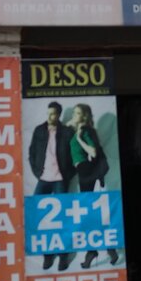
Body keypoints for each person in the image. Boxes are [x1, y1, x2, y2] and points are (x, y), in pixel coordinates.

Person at [69, 103, 119, 269]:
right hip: (84, 173)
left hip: (87, 172)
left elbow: (93, 152)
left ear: (84, 116)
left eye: (77, 113)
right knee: (90, 214)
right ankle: (103, 249)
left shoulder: (85, 131)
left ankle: (97, 251)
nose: (74, 116)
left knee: (91, 214)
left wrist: (78, 139)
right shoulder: (79, 129)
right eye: (74, 113)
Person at [27, 101, 76, 270]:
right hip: (44, 178)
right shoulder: (39, 130)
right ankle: (47, 255)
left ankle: (63, 256)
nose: (49, 116)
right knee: (39, 216)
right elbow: (32, 153)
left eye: (53, 113)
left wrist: (67, 175)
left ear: (59, 115)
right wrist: (37, 172)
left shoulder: (67, 132)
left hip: (60, 178)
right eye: (48, 113)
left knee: (62, 218)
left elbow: (75, 155)